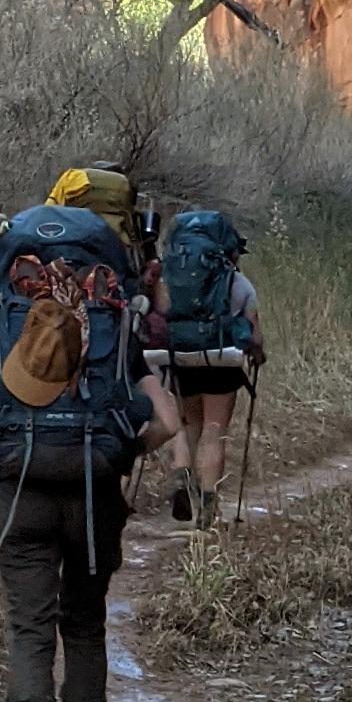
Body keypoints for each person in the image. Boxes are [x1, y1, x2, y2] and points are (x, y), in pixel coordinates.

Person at [0, 200, 181, 702]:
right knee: (83, 623)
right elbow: (166, 424)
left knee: (30, 627)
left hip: (21, 486)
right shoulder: (117, 335)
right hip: (94, 493)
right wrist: (116, 451)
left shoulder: (16, 324)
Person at [156, 202, 262, 525]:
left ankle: (180, 476)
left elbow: (160, 315)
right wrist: (259, 355)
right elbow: (255, 336)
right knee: (215, 432)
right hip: (221, 361)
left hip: (181, 358)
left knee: (189, 425)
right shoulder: (238, 283)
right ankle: (207, 506)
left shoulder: (168, 276)